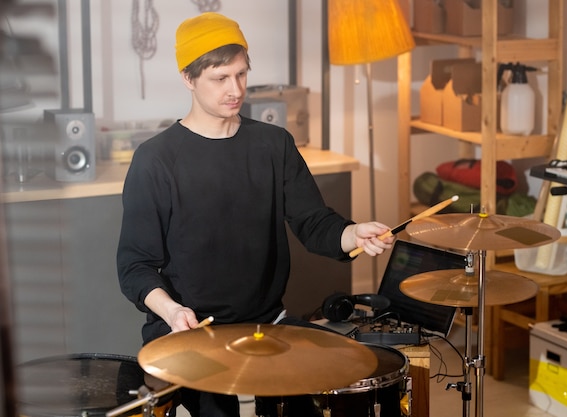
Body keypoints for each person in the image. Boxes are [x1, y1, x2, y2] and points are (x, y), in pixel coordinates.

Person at [116, 12, 394, 417]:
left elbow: (313, 223)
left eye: (242, 74)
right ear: (188, 78)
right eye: (221, 78)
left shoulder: (273, 144)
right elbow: (135, 266)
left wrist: (354, 234)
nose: (236, 89)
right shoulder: (156, 160)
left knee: (338, 375)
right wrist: (173, 311)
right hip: (190, 330)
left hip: (265, 323)